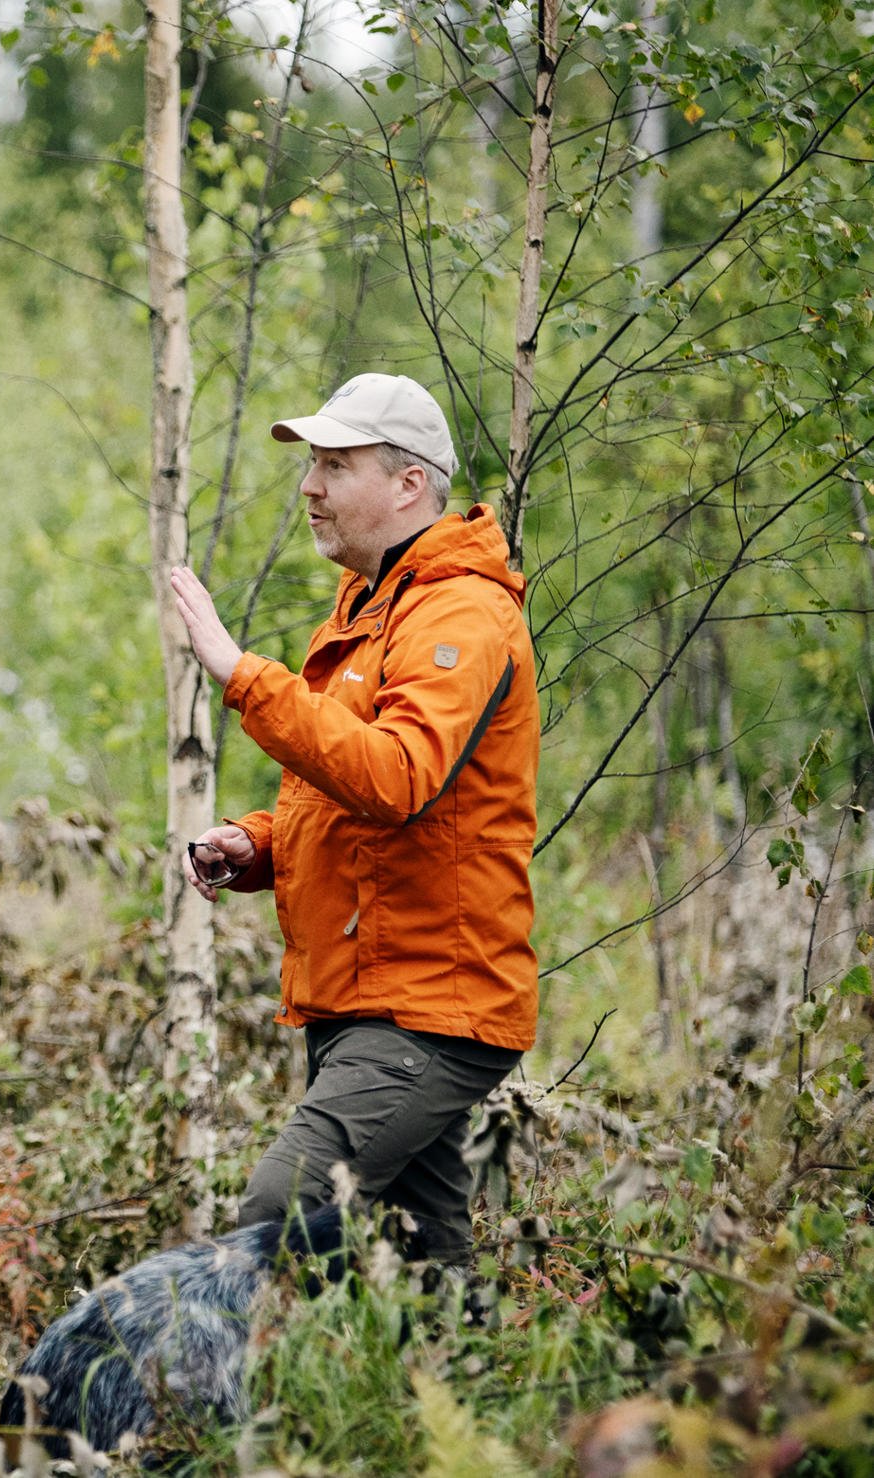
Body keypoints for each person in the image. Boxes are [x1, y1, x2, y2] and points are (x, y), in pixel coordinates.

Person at [169, 372, 539, 1265]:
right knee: (424, 1271)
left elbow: (400, 776)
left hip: (426, 1006)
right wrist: (254, 846)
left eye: (335, 464)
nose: (310, 486)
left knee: (279, 1210)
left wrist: (240, 672)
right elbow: (351, 794)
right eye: (312, 465)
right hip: (370, 993)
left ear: (408, 483)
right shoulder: (370, 608)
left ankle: (210, 1400)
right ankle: (460, 1400)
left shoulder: (461, 613)